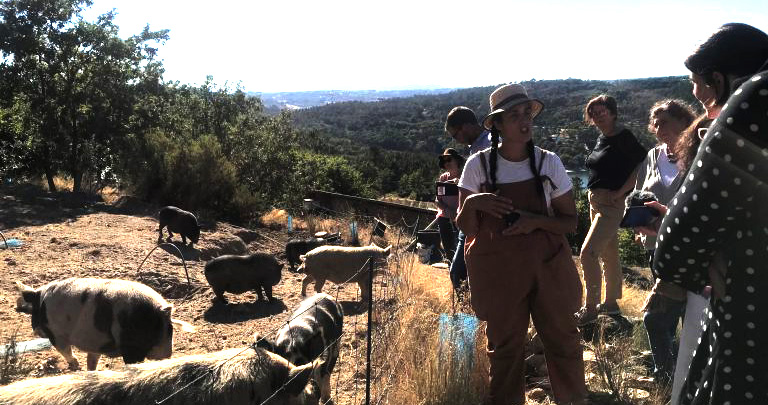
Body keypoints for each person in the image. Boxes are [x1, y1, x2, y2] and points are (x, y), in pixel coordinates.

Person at [651, 23, 768, 405]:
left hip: (750, 321)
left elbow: (674, 249)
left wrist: (702, 263)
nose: (696, 94)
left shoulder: (756, 99)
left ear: (719, 79)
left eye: (696, 83)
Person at [456, 84, 586, 405]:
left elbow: (570, 223)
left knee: (564, 343)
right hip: (500, 274)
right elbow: (465, 226)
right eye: (514, 116)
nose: (524, 121)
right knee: (504, 351)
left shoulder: (548, 163)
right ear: (497, 125)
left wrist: (535, 221)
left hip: (547, 268)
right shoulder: (478, 166)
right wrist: (474, 204)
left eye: (526, 113)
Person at [633, 100, 695, 384]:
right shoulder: (653, 155)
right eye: (655, 124)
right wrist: (636, 220)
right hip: (656, 248)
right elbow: (638, 194)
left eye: (665, 122)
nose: (659, 130)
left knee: (670, 315)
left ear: (685, 122)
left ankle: (673, 377)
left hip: (691, 252)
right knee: (668, 312)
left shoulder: (697, 154)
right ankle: (674, 375)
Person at [576, 95, 648, 325]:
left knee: (588, 253)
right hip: (595, 200)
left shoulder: (623, 136)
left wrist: (622, 192)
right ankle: (611, 304)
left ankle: (591, 307)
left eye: (602, 112)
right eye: (594, 113)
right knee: (608, 254)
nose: (597, 116)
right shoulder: (602, 138)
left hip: (611, 202)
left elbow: (643, 164)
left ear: (613, 113)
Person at [444, 107, 492, 290]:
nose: (457, 140)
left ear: (465, 127)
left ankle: (468, 318)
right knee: (464, 275)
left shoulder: (488, 145)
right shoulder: (479, 146)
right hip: (472, 218)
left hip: (479, 221)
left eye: (455, 135)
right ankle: (471, 316)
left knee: (459, 274)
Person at [434, 148, 465, 259]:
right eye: (444, 161)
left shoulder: (465, 177)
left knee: (460, 252)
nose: (446, 163)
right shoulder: (443, 178)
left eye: (449, 159)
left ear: (457, 160)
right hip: (444, 219)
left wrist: (460, 185)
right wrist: (448, 211)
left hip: (460, 220)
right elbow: (438, 201)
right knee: (448, 251)